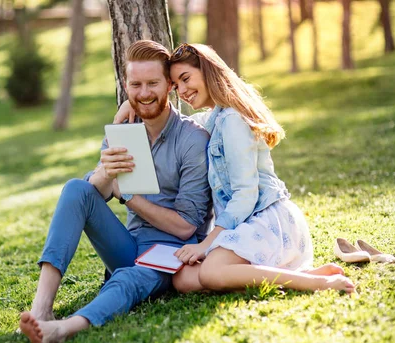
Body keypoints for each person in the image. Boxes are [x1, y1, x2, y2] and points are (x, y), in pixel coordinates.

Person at [115, 43, 356, 295]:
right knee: (184, 280)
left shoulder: (232, 120)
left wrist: (206, 244)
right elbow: (180, 124)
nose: (183, 91)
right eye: (177, 84)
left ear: (207, 72)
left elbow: (245, 196)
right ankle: (300, 275)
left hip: (263, 219)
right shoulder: (215, 119)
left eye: (186, 79)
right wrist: (132, 106)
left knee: (209, 273)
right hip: (242, 225)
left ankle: (317, 283)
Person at [18, 40, 212, 343]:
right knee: (76, 188)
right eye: (136, 84)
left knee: (127, 280)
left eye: (152, 83)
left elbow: (187, 226)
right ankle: (42, 307)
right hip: (129, 245)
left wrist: (130, 198)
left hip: (173, 254)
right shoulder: (124, 130)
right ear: (126, 85)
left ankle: (64, 329)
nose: (144, 93)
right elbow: (92, 195)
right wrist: (105, 173)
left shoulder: (192, 140)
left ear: (170, 85)